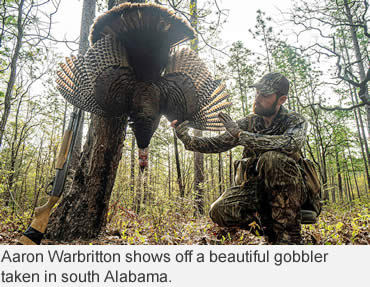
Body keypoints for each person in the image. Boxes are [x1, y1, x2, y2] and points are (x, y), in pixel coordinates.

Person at [173, 72, 308, 244]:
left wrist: (241, 135)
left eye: (264, 95)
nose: (257, 99)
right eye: (257, 93)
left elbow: (290, 143)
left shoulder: (295, 120)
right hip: (255, 191)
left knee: (272, 159)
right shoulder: (249, 122)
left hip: (291, 192)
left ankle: (291, 239)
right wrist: (188, 139)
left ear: (281, 100)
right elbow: (218, 143)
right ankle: (272, 231)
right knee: (219, 210)